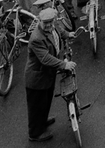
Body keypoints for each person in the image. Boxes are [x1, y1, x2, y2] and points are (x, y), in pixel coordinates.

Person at [25, 7, 75, 142]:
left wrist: (67, 34)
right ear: (40, 21)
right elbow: (45, 58)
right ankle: (35, 134)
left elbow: (59, 32)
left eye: (50, 22)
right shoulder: (37, 38)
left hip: (47, 75)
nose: (48, 25)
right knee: (37, 105)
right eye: (45, 22)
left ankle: (42, 120)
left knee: (45, 101)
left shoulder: (53, 26)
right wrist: (64, 65)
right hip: (37, 79)